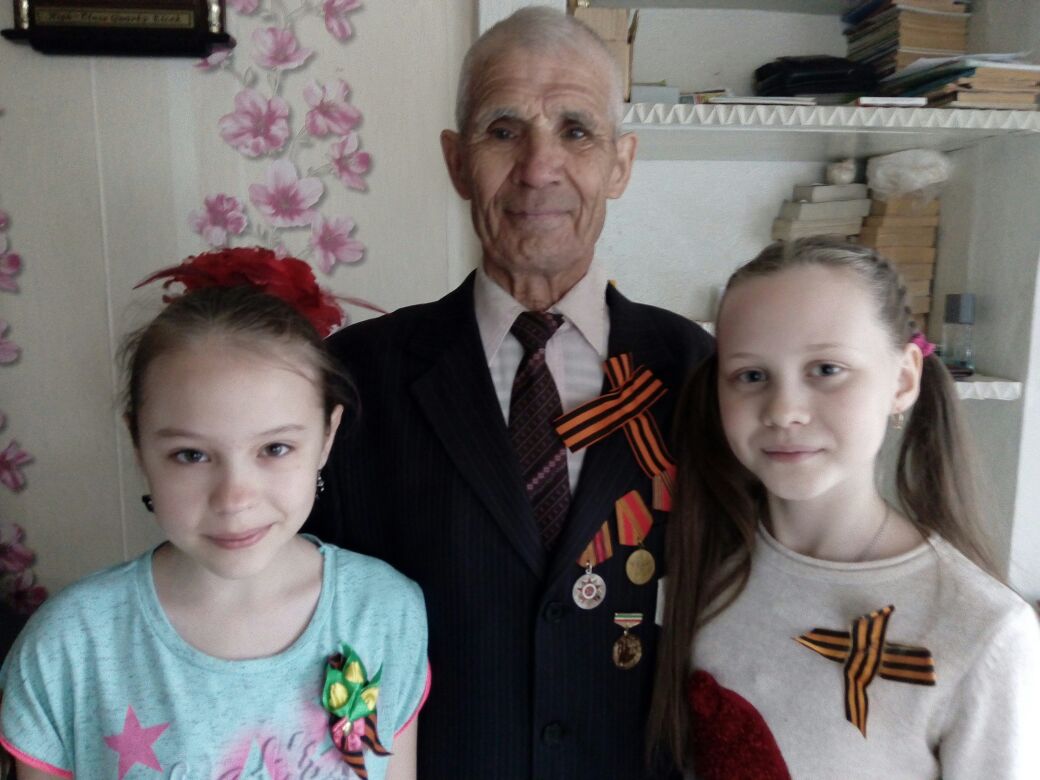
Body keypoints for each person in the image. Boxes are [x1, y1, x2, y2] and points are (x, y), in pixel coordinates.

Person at [304, 7, 713, 779]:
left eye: (576, 131)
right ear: (457, 162)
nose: (537, 167)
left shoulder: (698, 372)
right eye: (503, 131)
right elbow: (303, 615)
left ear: (621, 164)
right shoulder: (355, 376)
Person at [0, 248, 429, 779]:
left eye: (274, 448)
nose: (234, 498)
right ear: (139, 446)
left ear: (326, 437)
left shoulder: (384, 612)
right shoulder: (71, 644)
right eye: (191, 455)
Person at [650, 236, 1040, 778]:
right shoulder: (701, 568)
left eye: (827, 369)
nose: (784, 410)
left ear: (903, 379)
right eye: (752, 376)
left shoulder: (985, 630)